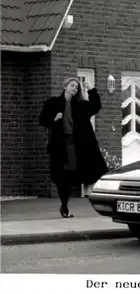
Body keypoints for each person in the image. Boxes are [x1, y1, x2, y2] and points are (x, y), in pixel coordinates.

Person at [39, 77, 109, 217]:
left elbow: (96, 107)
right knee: (62, 176)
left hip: (76, 145)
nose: (74, 89)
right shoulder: (53, 103)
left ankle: (67, 205)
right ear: (65, 86)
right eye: (72, 86)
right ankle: (64, 206)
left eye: (77, 87)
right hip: (60, 145)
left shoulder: (81, 105)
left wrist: (91, 89)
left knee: (70, 175)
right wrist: (54, 119)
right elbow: (42, 120)